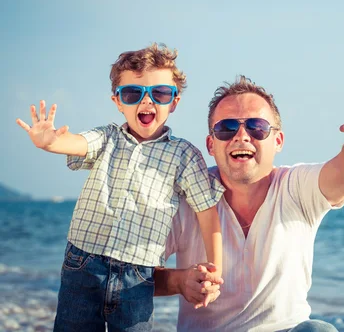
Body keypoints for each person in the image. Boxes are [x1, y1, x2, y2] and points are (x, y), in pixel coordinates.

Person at [154, 63, 344, 332]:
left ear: (278, 140)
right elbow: (128, 273)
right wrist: (178, 281)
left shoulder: (296, 188)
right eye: (227, 128)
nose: (242, 136)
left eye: (257, 127)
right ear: (211, 144)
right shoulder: (186, 197)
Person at [15, 43, 223, 331]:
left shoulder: (184, 155)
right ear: (118, 101)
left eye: (160, 94)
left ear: (174, 102)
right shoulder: (107, 138)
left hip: (138, 275)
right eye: (133, 93)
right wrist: (49, 142)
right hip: (82, 264)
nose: (147, 102)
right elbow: (77, 143)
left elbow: (207, 212)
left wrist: (215, 269)